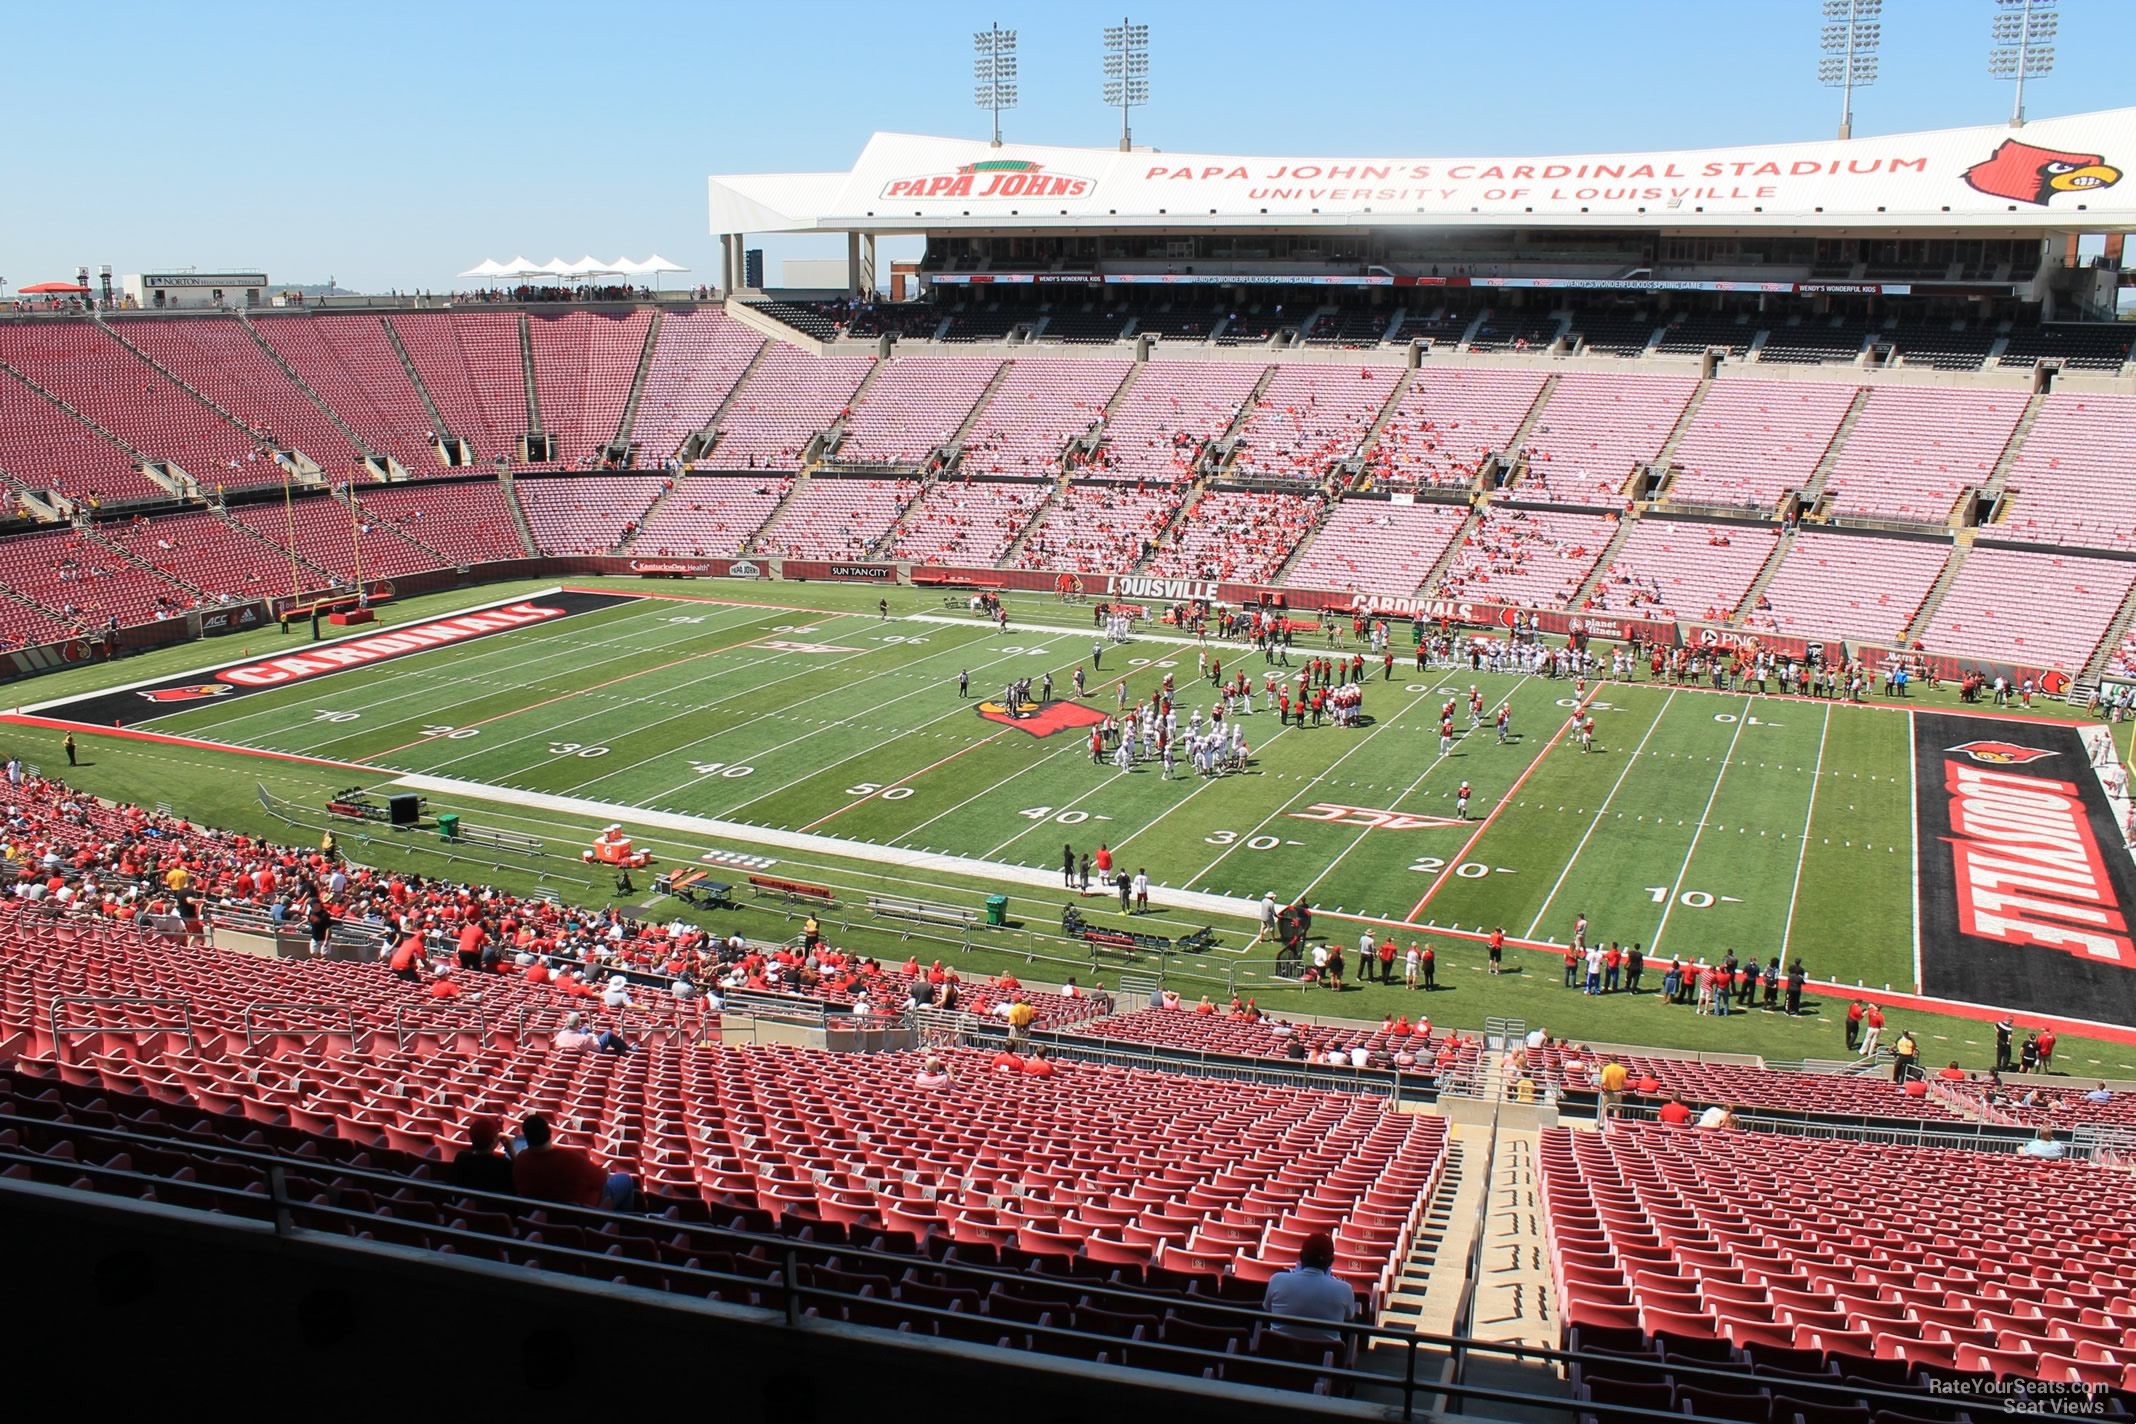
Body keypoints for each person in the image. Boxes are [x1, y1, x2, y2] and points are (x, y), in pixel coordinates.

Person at [511, 1113, 633, 1210]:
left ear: (526, 1138)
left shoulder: (521, 1159)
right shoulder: (570, 1159)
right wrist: (605, 1171)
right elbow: (601, 1180)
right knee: (626, 1179)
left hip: (543, 1218)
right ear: (549, 1132)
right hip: (586, 1214)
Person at [1262, 1232, 1356, 1344]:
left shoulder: (1277, 1280)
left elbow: (1267, 1310)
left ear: (1301, 1256)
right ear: (1331, 1261)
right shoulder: (1345, 1289)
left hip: (1276, 1357)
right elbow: (1349, 1317)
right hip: (1324, 1359)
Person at [448, 1115, 515, 1196]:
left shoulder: (461, 1158)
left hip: (464, 1207)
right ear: (494, 1141)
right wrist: (511, 1151)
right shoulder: (504, 1165)